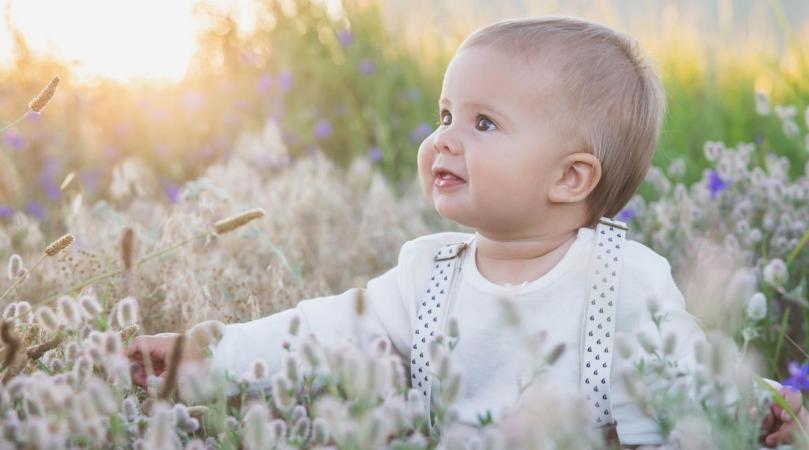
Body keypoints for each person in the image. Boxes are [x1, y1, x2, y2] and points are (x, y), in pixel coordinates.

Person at [127, 16, 803, 447]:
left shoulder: (623, 277)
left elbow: (691, 365)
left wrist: (762, 407)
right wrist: (206, 353)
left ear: (570, 178)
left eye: (482, 123)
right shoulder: (428, 274)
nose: (444, 139)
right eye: (444, 115)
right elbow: (323, 330)